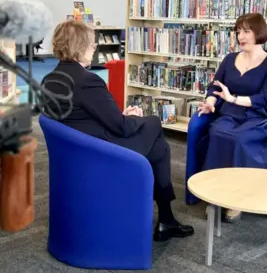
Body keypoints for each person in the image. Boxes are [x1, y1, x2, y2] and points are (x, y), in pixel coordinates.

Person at [42, 20, 194, 242]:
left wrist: (122, 116)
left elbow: (82, 118)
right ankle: (165, 218)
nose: (94, 49)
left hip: (78, 152)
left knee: (159, 148)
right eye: (92, 45)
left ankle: (166, 218)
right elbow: (121, 128)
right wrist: (131, 117)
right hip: (102, 153)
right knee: (153, 123)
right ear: (79, 46)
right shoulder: (87, 81)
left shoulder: (50, 79)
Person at [196, 13, 267, 222]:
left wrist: (233, 98)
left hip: (258, 117)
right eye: (238, 32)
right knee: (217, 132)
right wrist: (210, 103)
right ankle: (215, 194)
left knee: (239, 139)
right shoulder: (229, 59)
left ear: (258, 32)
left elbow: (264, 98)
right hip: (230, 114)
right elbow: (214, 86)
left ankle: (237, 198)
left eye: (246, 31)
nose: (241, 36)